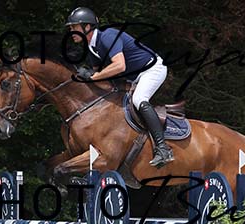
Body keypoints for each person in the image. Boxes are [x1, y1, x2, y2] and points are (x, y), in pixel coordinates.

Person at [65, 6, 174, 168]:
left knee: (139, 99)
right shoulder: (91, 47)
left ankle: (163, 148)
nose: (71, 31)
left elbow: (119, 65)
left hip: (152, 69)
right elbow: (99, 74)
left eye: (74, 27)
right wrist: (86, 76)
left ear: (87, 27)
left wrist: (94, 76)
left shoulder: (107, 37)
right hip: (133, 76)